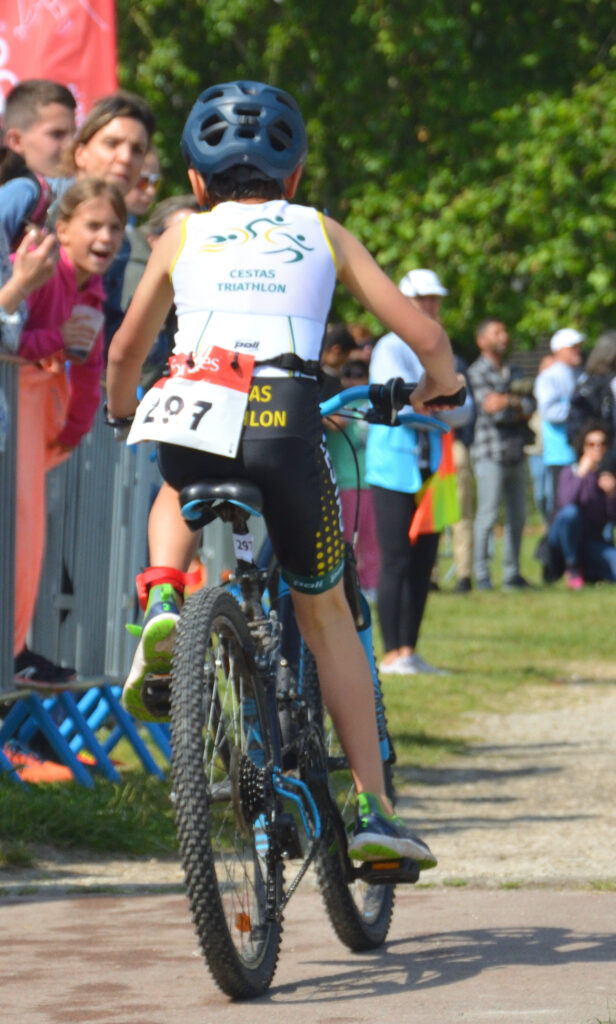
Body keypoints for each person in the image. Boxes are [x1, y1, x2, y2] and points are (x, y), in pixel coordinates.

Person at [106, 79, 463, 866]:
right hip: (284, 419)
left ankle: (164, 596)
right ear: (295, 176)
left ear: (195, 181)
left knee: (175, 480)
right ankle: (372, 809)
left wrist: (121, 407)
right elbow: (427, 342)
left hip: (197, 407)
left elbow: (126, 348)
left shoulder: (181, 234)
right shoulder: (320, 230)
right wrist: (440, 386)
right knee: (326, 613)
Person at [13, 178, 126, 683]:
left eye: (115, 228)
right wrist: (56, 340)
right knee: (21, 533)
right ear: (62, 229)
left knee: (30, 537)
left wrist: (76, 428)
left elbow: (88, 363)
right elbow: (12, 340)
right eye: (94, 225)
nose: (106, 237)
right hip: (17, 410)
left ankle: (14, 650)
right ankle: (11, 653)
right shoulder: (41, 270)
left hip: (40, 424)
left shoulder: (91, 288)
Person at [366, 268, 472, 674]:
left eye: (434, 298)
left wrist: (428, 401)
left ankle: (410, 649)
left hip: (433, 470)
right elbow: (396, 402)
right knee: (395, 559)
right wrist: (435, 399)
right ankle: (392, 652)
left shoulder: (439, 346)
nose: (429, 305)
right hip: (393, 468)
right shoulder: (390, 346)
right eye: (422, 298)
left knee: (423, 560)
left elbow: (462, 409)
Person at [468, 318, 536, 590]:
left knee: (518, 517)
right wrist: (516, 401)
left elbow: (531, 405)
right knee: (487, 515)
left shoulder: (514, 369)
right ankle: (482, 574)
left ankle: (512, 574)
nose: (504, 336)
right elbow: (491, 410)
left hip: (516, 451)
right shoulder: (476, 371)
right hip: (489, 452)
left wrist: (508, 401)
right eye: (497, 332)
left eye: (505, 331)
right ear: (481, 340)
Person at [325, 358, 380, 598]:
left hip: (372, 481)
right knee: (347, 539)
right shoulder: (336, 402)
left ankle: (371, 584)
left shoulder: (373, 404)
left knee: (372, 539)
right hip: (345, 482)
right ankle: (349, 585)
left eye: (358, 374)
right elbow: (332, 422)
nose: (351, 379)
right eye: (346, 374)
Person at [546, 422, 616, 588]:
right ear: (582, 446)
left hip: (591, 541)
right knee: (571, 513)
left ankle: (590, 571)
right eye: (591, 444)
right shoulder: (569, 472)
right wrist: (580, 475)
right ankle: (572, 567)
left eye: (601, 444)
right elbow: (565, 505)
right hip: (562, 540)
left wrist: (611, 495)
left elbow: (612, 519)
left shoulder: (606, 477)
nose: (597, 448)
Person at [534, 327, 584, 518]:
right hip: (560, 454)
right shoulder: (549, 376)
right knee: (562, 508)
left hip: (580, 453)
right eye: (573, 347)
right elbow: (550, 412)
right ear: (559, 350)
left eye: (578, 347)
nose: (578, 351)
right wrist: (578, 410)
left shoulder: (580, 374)